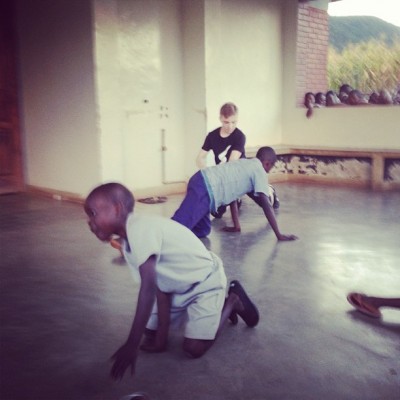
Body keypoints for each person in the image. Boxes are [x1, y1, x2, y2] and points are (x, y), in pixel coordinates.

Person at [84, 183, 260, 381]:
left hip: (204, 282)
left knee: (193, 348)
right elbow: (160, 287)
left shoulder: (140, 229)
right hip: (178, 286)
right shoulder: (128, 244)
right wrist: (161, 342)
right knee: (150, 332)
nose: (89, 222)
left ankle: (232, 302)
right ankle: (179, 324)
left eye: (92, 213)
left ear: (117, 208)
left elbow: (148, 289)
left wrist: (132, 344)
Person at [172, 146, 297, 240]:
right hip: (206, 187)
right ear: (267, 163)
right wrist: (279, 235)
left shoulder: (245, 164)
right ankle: (160, 238)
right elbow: (266, 205)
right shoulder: (259, 170)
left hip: (203, 183)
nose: (269, 171)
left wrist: (237, 226)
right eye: (271, 167)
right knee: (179, 226)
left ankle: (180, 237)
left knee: (203, 230)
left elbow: (233, 196)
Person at [196, 102, 246, 219]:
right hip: (223, 175)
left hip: (240, 175)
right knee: (216, 213)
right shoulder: (212, 136)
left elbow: (231, 163)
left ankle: (269, 191)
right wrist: (207, 174)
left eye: (234, 122)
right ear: (220, 119)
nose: (230, 126)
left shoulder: (239, 136)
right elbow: (199, 158)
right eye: (226, 122)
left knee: (265, 200)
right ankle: (228, 200)